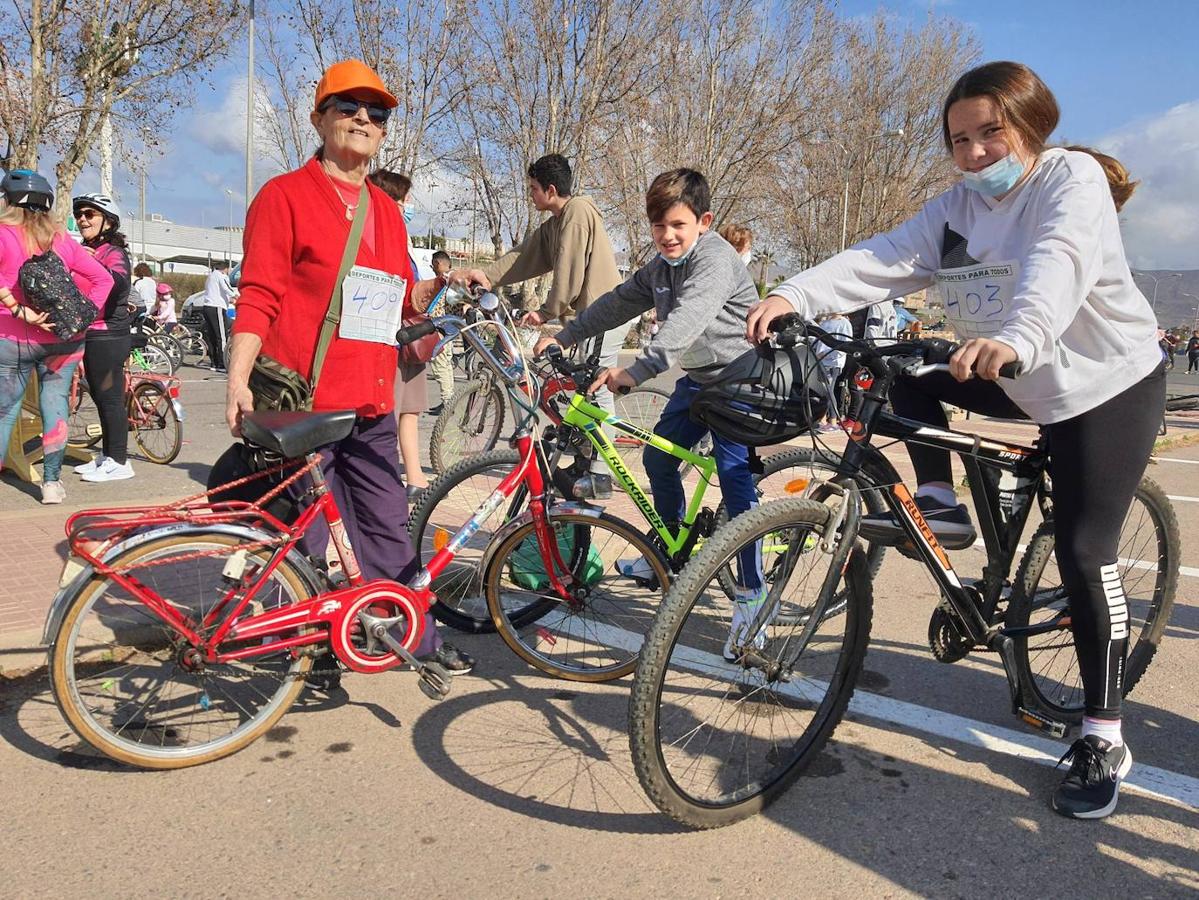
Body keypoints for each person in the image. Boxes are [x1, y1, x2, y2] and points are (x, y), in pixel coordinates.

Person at [748, 61, 1165, 820]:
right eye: (957, 140)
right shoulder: (953, 208)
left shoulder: (1069, 182)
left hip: (1103, 386)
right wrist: (793, 292)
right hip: (1010, 369)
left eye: (988, 135)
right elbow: (881, 257)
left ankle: (1102, 735)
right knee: (901, 373)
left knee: (1082, 551)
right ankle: (939, 505)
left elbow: (1056, 265)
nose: (972, 155)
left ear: (1030, 127)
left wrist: (1017, 335)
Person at [226, 58, 473, 682]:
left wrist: (443, 284)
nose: (364, 119)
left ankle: (410, 637)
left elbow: (397, 297)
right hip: (304, 403)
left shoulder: (386, 211)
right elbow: (257, 295)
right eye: (348, 107)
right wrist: (236, 380)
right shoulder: (283, 196)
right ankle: (312, 643)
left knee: (390, 525)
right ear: (319, 118)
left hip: (368, 400)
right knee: (312, 539)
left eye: (376, 112)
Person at [532, 168, 764, 660]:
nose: (667, 236)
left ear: (704, 221)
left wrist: (636, 371)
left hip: (740, 377)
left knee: (737, 485)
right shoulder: (660, 267)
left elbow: (687, 321)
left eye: (677, 225)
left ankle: (752, 599)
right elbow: (618, 303)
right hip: (699, 380)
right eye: (658, 226)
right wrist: (564, 335)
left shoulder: (715, 260)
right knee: (659, 460)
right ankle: (670, 551)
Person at [458, 154, 625, 491]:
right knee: (578, 387)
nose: (530, 194)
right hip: (589, 318)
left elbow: (569, 271)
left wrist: (548, 310)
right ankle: (584, 459)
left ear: (550, 190)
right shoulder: (556, 223)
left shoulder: (577, 212)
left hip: (608, 313)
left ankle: (603, 473)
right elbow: (526, 255)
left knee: (596, 388)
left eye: (533, 188)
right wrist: (487, 275)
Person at [0, 170, 113, 504]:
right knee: (55, 405)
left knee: (5, 411)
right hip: (66, 339)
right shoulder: (62, 239)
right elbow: (103, 280)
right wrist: (80, 317)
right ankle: (51, 484)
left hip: (13, 338)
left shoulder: (3, 235)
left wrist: (22, 312)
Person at [367, 168, 431, 503]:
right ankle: (392, 482)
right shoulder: (376, 234)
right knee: (388, 417)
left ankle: (415, 477)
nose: (407, 207)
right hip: (390, 342)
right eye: (404, 200)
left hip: (411, 340)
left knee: (409, 411)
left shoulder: (399, 237)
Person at [71, 193, 137, 482]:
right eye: (80, 215)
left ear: (107, 221)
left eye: (89, 214)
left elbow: (119, 283)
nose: (82, 219)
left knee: (110, 398)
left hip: (109, 334)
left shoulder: (113, 252)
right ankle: (109, 456)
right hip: (90, 331)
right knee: (99, 397)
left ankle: (121, 462)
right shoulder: (85, 249)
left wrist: (92, 263)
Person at [426, 250, 455, 414]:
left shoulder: (444, 281)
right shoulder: (454, 279)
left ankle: (447, 402)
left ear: (437, 263)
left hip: (440, 328)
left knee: (440, 366)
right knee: (446, 366)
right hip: (449, 328)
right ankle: (449, 400)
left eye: (432, 264)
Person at [813, 312, 851, 431]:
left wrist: (826, 354)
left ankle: (833, 421)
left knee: (829, 390)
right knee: (823, 390)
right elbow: (818, 341)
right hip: (821, 361)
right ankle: (822, 420)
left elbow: (845, 344)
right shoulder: (825, 322)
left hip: (834, 362)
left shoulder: (844, 323)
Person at [200, 259, 236, 372]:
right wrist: (237, 296)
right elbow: (227, 288)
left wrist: (229, 300)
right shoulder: (221, 276)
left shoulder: (210, 277)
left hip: (207, 306)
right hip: (217, 308)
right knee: (222, 336)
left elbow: (216, 293)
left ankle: (214, 362)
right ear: (225, 269)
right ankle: (223, 363)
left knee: (212, 336)